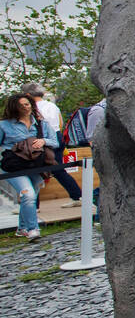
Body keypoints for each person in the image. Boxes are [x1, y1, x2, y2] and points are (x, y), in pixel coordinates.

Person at [2, 93, 60, 240]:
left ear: (31, 105)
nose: (24, 108)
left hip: (35, 164)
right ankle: (33, 229)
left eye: (27, 104)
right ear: (14, 107)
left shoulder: (42, 124)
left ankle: (22, 228)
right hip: (13, 167)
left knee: (29, 197)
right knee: (28, 195)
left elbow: (55, 142)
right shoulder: (4, 125)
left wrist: (43, 141)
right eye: (21, 105)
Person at [20, 82, 82, 204]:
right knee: (58, 169)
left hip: (40, 139)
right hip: (57, 136)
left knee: (32, 171)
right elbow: (60, 123)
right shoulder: (52, 106)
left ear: (27, 95)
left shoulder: (30, 108)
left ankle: (32, 204)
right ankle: (77, 196)